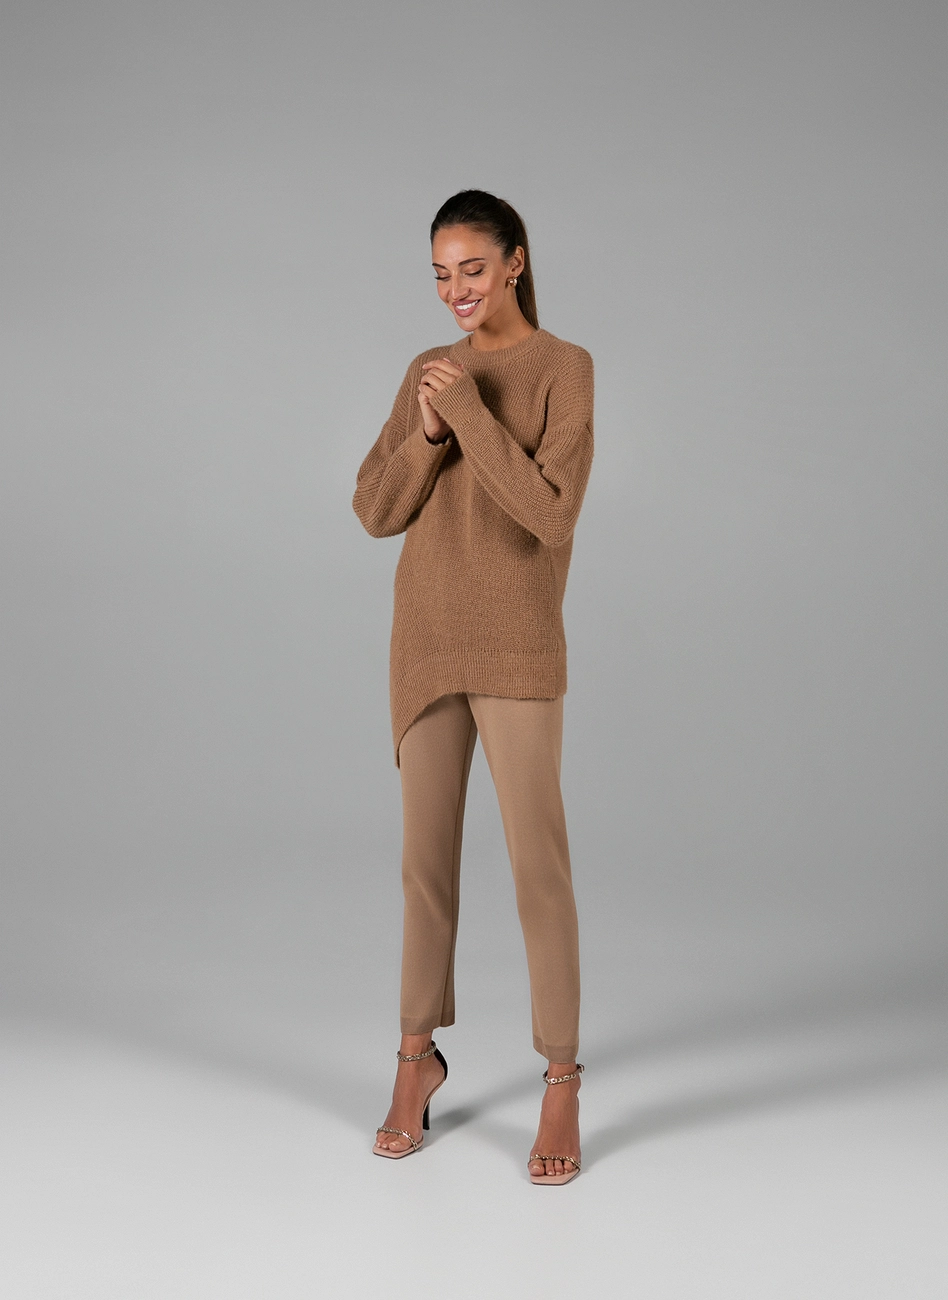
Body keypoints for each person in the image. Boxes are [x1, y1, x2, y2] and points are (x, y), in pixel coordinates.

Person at [352, 189, 595, 1185]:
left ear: (516, 262)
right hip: (427, 640)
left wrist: (466, 416)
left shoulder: (564, 368)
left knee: (539, 867)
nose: (457, 290)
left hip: (518, 645)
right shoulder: (429, 368)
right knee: (425, 867)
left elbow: (550, 513)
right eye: (441, 274)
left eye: (474, 269)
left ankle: (562, 1078)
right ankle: (415, 1059)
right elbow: (375, 510)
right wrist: (426, 432)